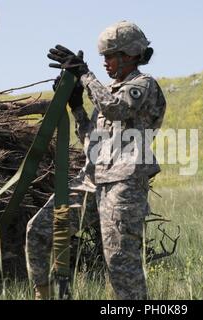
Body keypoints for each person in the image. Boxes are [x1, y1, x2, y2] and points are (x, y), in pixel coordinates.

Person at [46, 21, 166, 300]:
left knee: (121, 265)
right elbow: (93, 142)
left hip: (125, 184)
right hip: (96, 181)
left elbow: (116, 109)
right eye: (102, 57)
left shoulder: (142, 85)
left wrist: (86, 76)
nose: (104, 62)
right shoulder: (108, 91)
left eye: (109, 56)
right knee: (43, 230)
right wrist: (77, 106)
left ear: (129, 55)